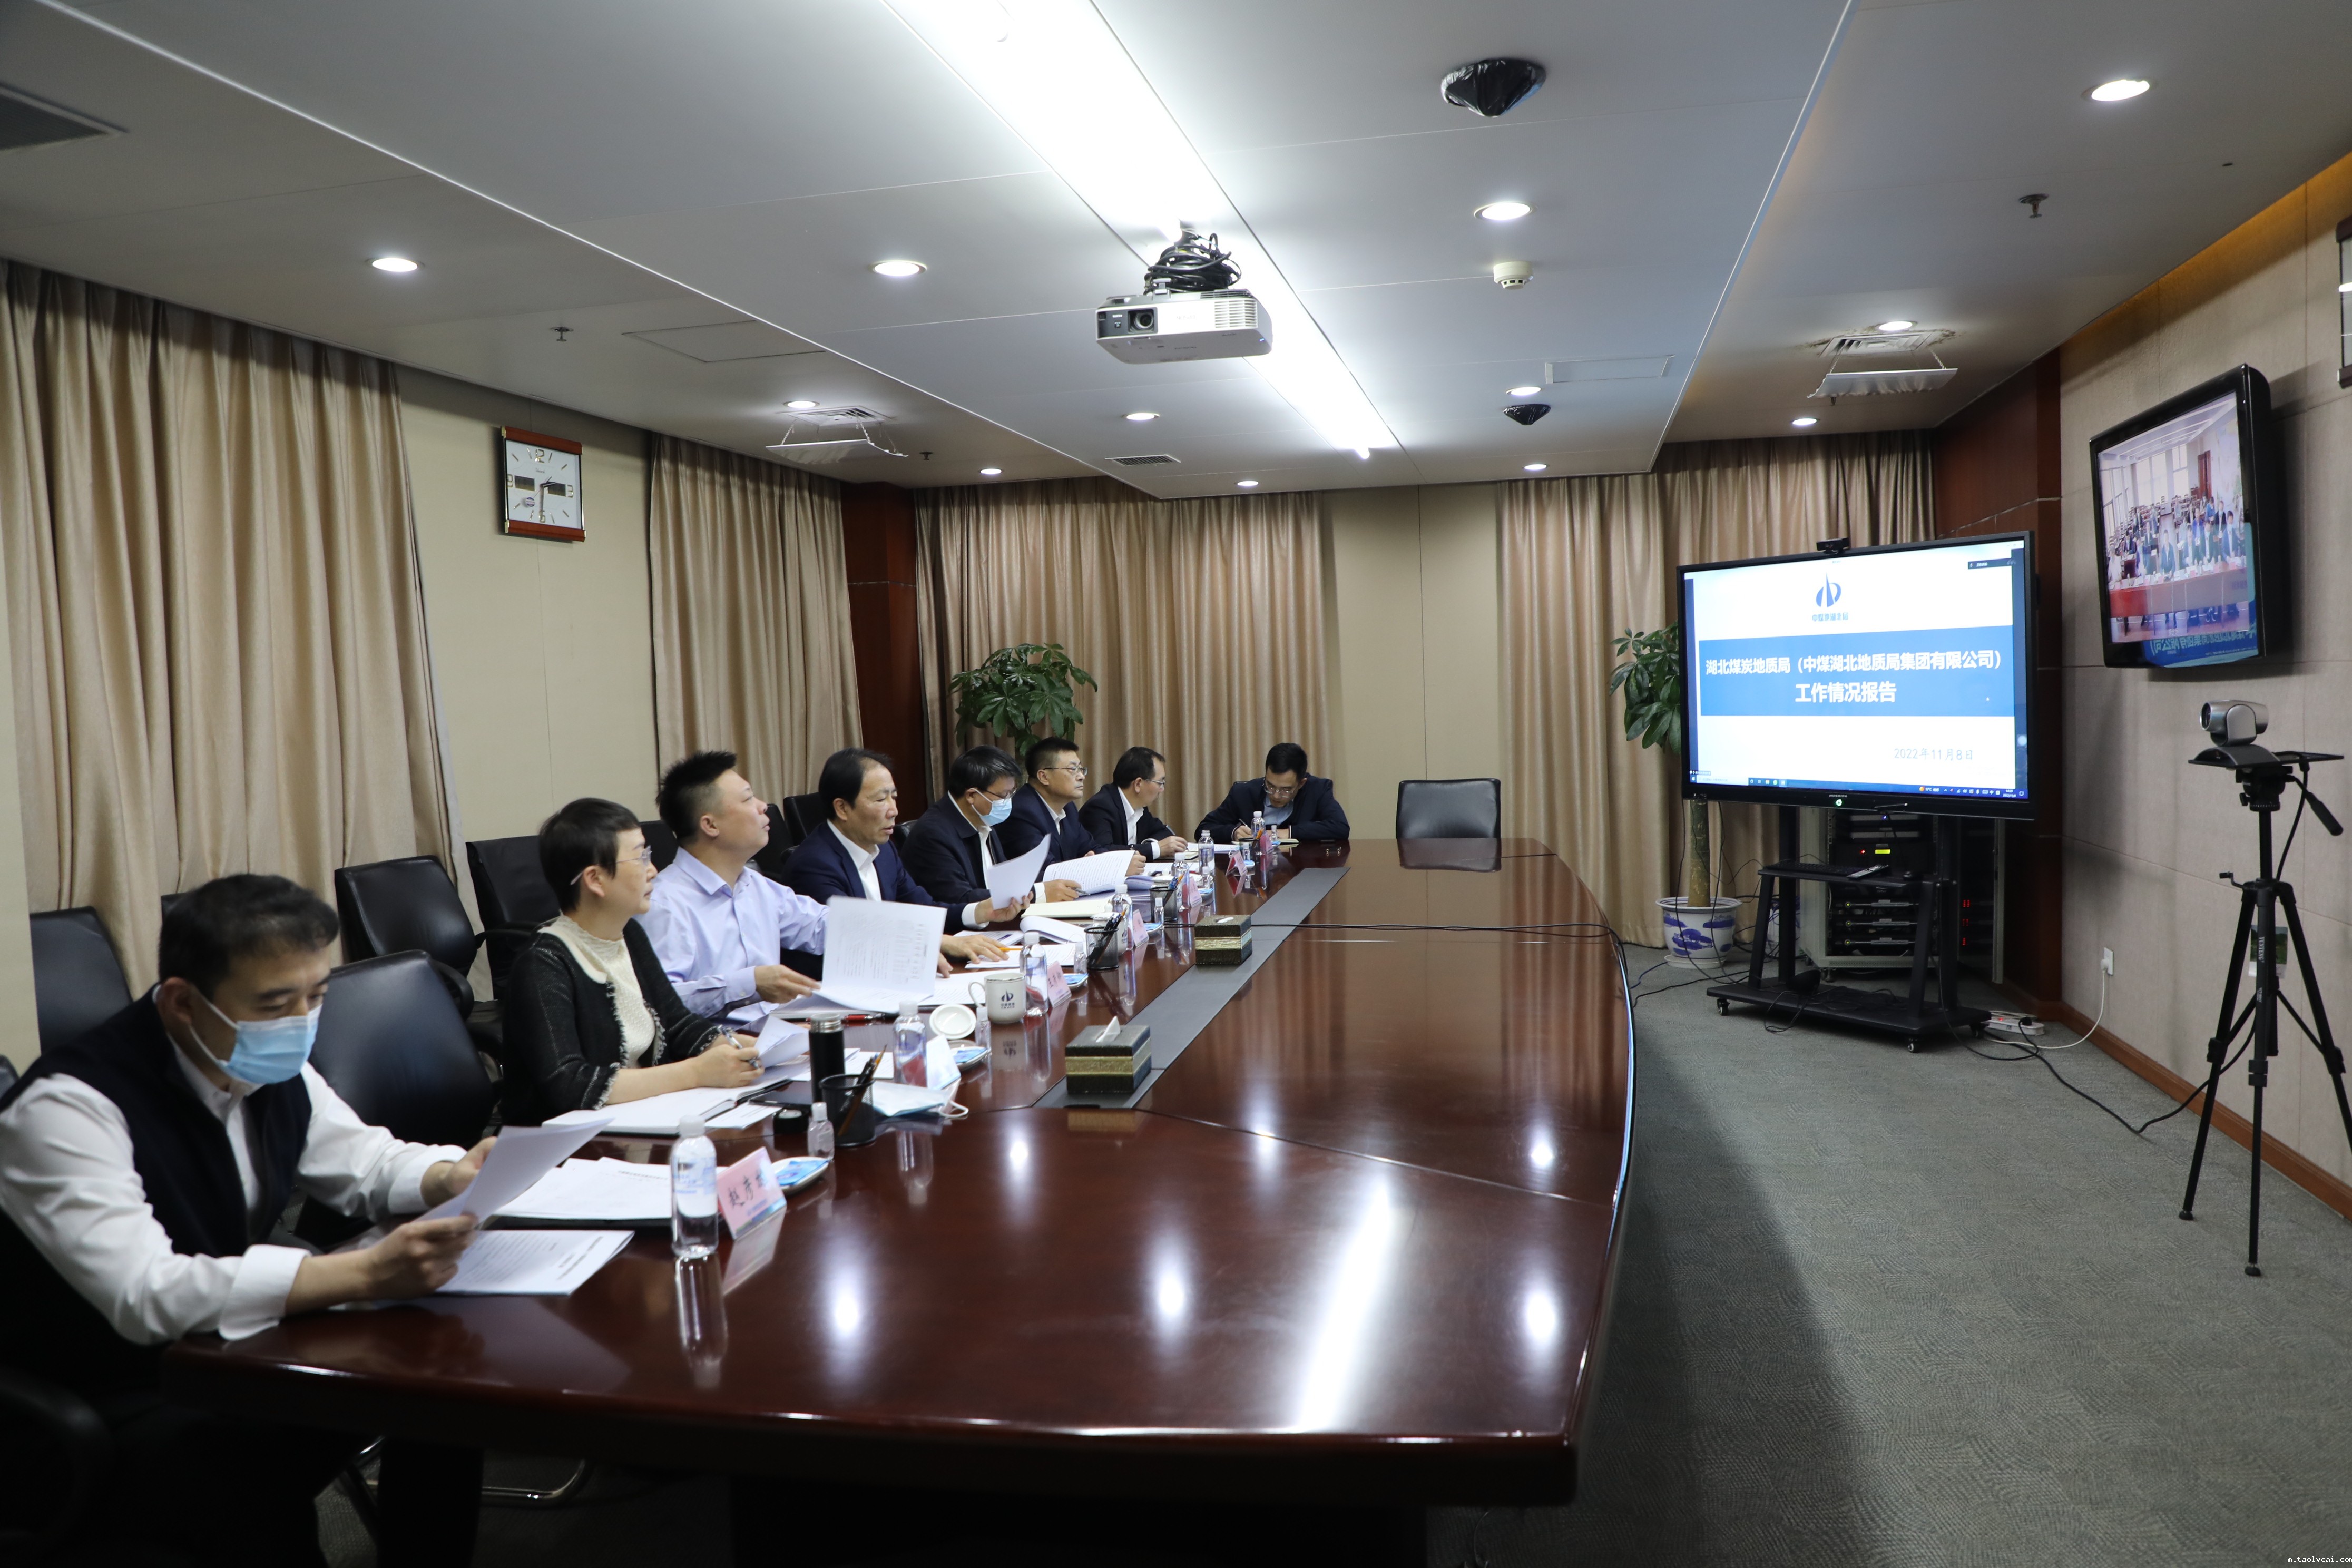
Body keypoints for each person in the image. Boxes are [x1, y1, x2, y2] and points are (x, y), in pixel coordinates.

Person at [0, 874, 491, 1565]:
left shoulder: (260, 1059)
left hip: (220, 1352)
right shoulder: (69, 1109)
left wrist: (450, 1175)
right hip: (98, 1395)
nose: (301, 1021)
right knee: (251, 1471)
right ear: (181, 1001)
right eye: (275, 1003)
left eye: (316, 996)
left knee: (439, 1383)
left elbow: (364, 1161)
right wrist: (364, 1273)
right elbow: (147, 1294)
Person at [501, 798, 763, 1127]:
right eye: (640, 858)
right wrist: (695, 1073)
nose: (653, 870)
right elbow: (569, 1084)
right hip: (567, 1141)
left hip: (641, 1118)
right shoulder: (544, 964)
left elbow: (678, 1024)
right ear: (596, 879)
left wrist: (751, 1046)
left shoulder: (630, 935)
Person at [640, 750, 829, 1031]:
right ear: (710, 825)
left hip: (778, 1033)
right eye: (748, 799)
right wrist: (748, 984)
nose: (763, 807)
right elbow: (660, 1004)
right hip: (720, 1048)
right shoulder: (663, 903)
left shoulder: (754, 884)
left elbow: (820, 925)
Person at [777, 749, 1018, 959]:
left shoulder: (884, 850)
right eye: (880, 799)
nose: (894, 810)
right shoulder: (813, 865)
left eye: (893, 797)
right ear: (842, 808)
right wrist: (936, 941)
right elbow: (854, 935)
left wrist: (980, 911)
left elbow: (923, 909)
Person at [904, 746, 1082, 909]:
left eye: (1012, 793)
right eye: (1004, 795)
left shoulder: (983, 819)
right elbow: (961, 900)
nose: (1009, 802)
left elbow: (1004, 882)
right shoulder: (933, 835)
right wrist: (1040, 893)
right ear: (972, 795)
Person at [1197, 742, 1350, 842]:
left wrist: (1288, 833)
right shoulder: (1243, 793)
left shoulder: (1317, 790)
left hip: (1302, 872)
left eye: (1286, 790)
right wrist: (1234, 832)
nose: (1276, 795)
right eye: (1270, 786)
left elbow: (1340, 828)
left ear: (1301, 783)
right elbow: (1203, 830)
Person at [1001, 736, 1112, 868]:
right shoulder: (1022, 813)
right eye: (1073, 769)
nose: (1081, 777)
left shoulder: (1069, 809)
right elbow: (1046, 870)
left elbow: (1092, 848)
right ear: (1044, 777)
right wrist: (1085, 866)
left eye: (1081, 769)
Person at [1081, 745, 1187, 861]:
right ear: (1138, 784)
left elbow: (1163, 832)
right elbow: (1103, 851)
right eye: (1160, 783)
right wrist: (1155, 849)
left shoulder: (1139, 807)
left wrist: (1149, 845)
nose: (1162, 789)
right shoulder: (1100, 807)